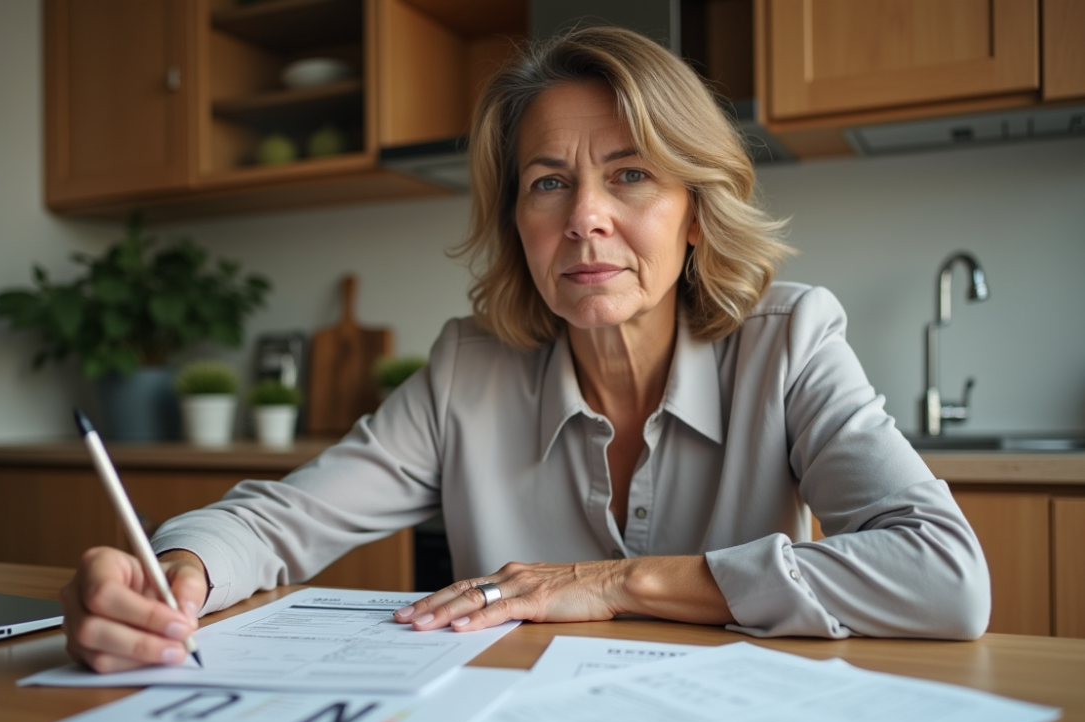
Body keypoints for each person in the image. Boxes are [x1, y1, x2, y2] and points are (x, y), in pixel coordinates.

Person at [61, 27, 990, 673]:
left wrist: (614, 584)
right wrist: (173, 573)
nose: (584, 217)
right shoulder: (470, 368)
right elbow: (275, 522)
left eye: (630, 174)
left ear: (698, 213)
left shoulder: (790, 342)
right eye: (548, 183)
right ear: (519, 226)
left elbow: (945, 578)